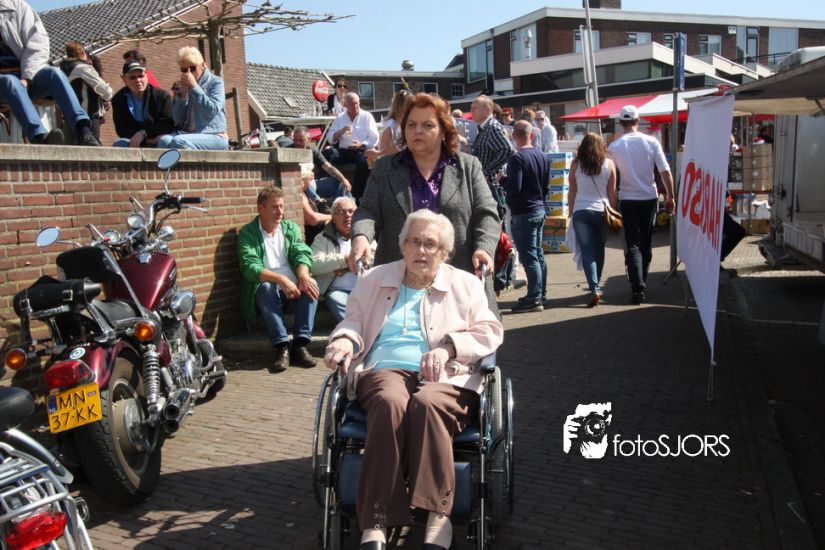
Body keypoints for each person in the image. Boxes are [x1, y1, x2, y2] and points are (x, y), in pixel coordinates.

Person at [324, 209, 504, 550]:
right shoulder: (375, 279)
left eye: (430, 244)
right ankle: (376, 518)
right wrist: (344, 340)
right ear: (402, 244)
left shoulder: (465, 284)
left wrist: (449, 348)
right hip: (384, 369)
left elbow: (490, 332)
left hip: (449, 375)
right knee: (390, 402)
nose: (421, 250)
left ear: (445, 252)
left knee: (427, 403)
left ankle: (438, 516)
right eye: (413, 242)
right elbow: (353, 320)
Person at [348, 92, 501, 312]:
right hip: (399, 291)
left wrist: (484, 248)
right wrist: (361, 237)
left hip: (460, 286)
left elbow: (487, 213)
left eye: (427, 125)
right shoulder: (384, 169)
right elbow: (368, 211)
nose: (417, 130)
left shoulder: (468, 167)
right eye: (411, 125)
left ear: (443, 131)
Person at [238, 186, 320, 371]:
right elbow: (250, 267)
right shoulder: (248, 233)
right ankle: (281, 347)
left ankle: (300, 345)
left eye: (282, 206)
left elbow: (301, 252)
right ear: (261, 208)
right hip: (267, 297)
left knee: (311, 283)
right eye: (275, 207)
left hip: (294, 292)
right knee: (266, 287)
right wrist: (281, 280)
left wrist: (303, 276)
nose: (280, 212)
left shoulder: (290, 228)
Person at [0, 0, 99, 146]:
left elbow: (38, 44)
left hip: (26, 73)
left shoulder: (17, 7)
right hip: (4, 82)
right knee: (10, 82)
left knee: (54, 73)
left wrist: (27, 77)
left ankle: (83, 130)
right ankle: (39, 136)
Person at [608, 105, 675, 304]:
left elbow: (610, 175)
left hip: (627, 198)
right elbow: (665, 171)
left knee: (632, 243)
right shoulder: (651, 142)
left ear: (621, 123)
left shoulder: (614, 146)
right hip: (649, 197)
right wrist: (671, 196)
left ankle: (637, 286)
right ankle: (641, 281)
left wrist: (611, 200)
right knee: (646, 240)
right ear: (638, 121)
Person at [499, 120, 552, 312]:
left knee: (530, 257)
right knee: (537, 254)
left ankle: (534, 298)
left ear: (514, 136)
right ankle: (539, 293)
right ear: (532, 135)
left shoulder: (517, 158)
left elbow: (515, 187)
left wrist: (502, 180)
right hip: (538, 209)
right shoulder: (543, 156)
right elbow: (546, 186)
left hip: (524, 212)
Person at [470, 94, 515, 293]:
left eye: (475, 107)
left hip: (491, 188)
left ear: (487, 109)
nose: (472, 111)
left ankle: (501, 278)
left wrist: (487, 172)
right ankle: (499, 277)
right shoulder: (484, 128)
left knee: (496, 232)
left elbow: (507, 150)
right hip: (486, 186)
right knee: (494, 230)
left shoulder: (492, 127)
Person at [569, 133, 618, 307]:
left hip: (581, 212)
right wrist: (614, 211)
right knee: (599, 249)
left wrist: (571, 212)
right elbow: (612, 192)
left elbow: (572, 191)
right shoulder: (609, 164)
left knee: (587, 251)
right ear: (601, 146)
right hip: (602, 211)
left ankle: (594, 288)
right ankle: (597, 281)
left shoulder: (576, 164)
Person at [310, 196, 374, 322]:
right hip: (337, 290)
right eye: (341, 212)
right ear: (333, 217)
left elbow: (376, 258)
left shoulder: (364, 237)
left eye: (351, 211)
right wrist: (344, 259)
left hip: (365, 288)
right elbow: (313, 264)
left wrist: (348, 266)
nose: (347, 215)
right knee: (336, 300)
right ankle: (355, 329)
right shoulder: (322, 238)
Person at [160, 47, 228, 150]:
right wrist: (182, 97)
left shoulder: (216, 82)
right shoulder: (185, 85)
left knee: (179, 141)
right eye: (184, 70)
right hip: (188, 134)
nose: (189, 73)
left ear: (202, 65)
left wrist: (195, 87)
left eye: (192, 68)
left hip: (214, 135)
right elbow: (178, 119)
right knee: (164, 140)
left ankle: (189, 161)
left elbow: (211, 111)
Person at [327, 92, 379, 202]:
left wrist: (361, 144)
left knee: (364, 163)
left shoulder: (367, 116)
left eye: (356, 103)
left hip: (361, 150)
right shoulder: (340, 117)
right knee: (327, 154)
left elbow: (375, 137)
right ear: (346, 105)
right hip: (345, 150)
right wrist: (341, 131)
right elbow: (330, 138)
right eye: (352, 104)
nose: (355, 106)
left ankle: (357, 196)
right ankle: (332, 190)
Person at [111, 62, 174, 147]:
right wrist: (143, 139)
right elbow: (121, 129)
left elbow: (167, 124)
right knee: (120, 143)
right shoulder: (118, 99)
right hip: (133, 138)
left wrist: (144, 134)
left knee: (166, 141)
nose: (138, 80)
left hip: (157, 137)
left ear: (147, 76)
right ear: (124, 79)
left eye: (141, 76)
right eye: (132, 77)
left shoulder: (162, 96)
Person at [59, 41, 112, 142]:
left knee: (71, 150)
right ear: (83, 53)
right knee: (92, 148)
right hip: (88, 118)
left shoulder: (63, 70)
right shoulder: (83, 68)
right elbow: (106, 91)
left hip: (69, 119)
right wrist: (107, 92)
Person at [291, 126, 352, 200]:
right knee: (304, 179)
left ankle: (349, 205)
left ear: (308, 139)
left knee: (339, 182)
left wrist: (343, 179)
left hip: (313, 185)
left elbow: (329, 168)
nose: (297, 143)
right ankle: (317, 201)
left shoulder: (313, 151)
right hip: (297, 186)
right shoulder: (287, 151)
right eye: (295, 139)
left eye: (301, 140)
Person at [365, 89, 412, 161]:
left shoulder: (402, 123)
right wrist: (378, 154)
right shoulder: (390, 126)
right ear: (400, 107)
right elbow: (387, 151)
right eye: (409, 105)